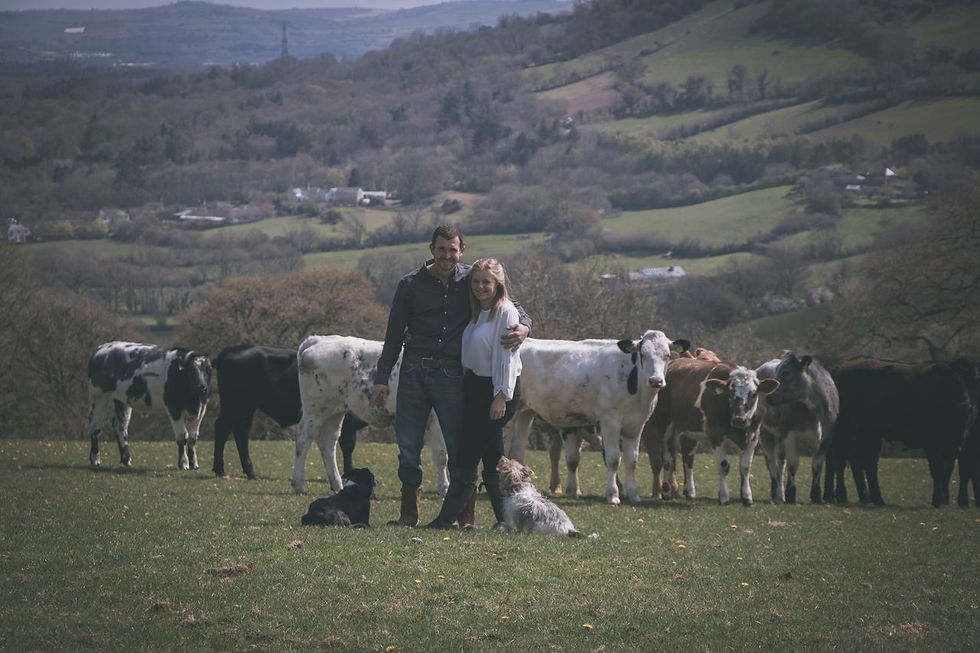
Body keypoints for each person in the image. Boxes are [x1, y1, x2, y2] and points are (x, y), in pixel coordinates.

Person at [371, 225, 531, 527]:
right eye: (442, 249)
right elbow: (393, 335)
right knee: (408, 445)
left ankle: (464, 517)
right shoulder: (410, 285)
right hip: (414, 371)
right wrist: (382, 377)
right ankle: (408, 514)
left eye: (453, 250)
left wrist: (524, 326)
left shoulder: (471, 278)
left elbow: (510, 302)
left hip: (452, 375)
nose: (447, 256)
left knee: (459, 446)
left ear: (462, 251)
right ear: (432, 249)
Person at [425, 258, 522, 530]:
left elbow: (507, 359)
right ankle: (507, 519)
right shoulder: (477, 310)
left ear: (498, 284)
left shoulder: (506, 313)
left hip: (497, 390)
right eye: (476, 281)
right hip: (474, 387)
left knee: (467, 456)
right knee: (493, 458)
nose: (480, 287)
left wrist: (501, 395)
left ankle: (445, 520)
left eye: (486, 282)